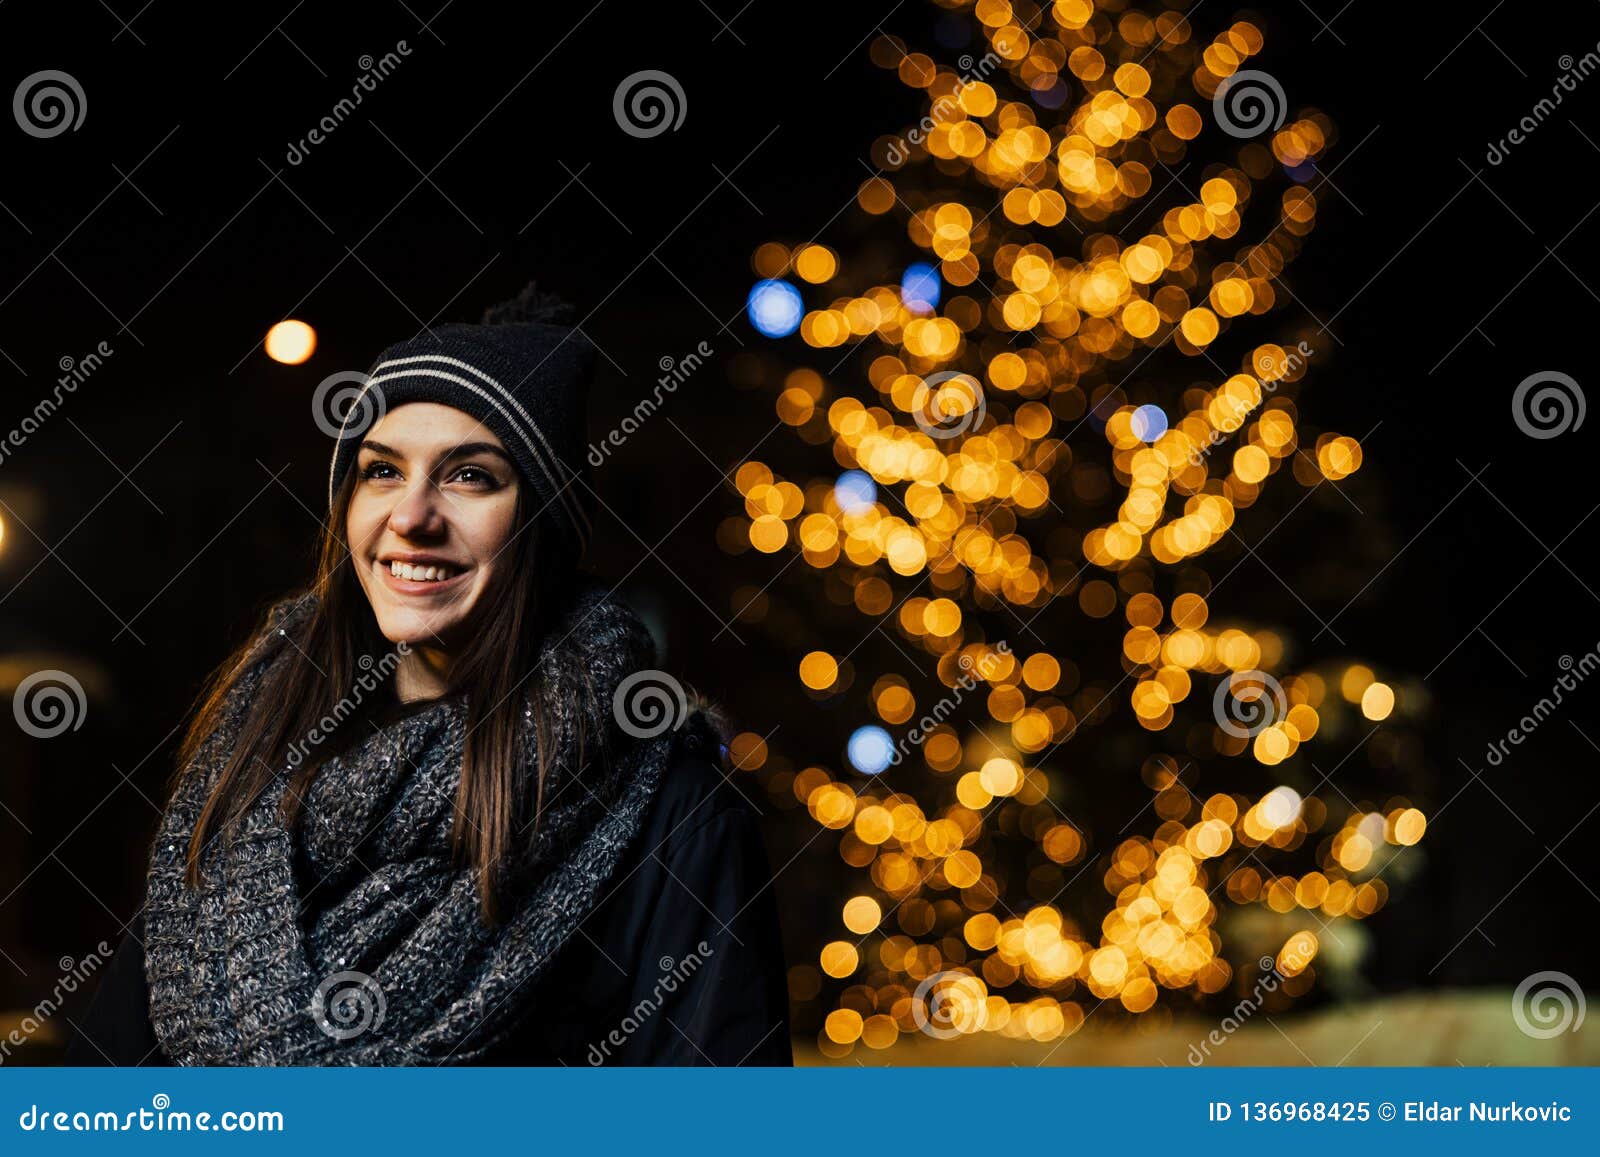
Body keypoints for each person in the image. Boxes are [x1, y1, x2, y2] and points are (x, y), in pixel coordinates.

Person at [63, 285, 792, 1066]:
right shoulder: (248, 761)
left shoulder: (669, 810)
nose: (412, 516)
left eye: (470, 476)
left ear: (543, 520)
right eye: (381, 471)